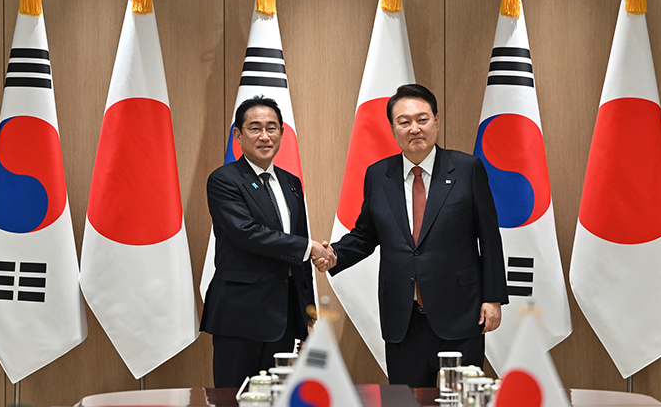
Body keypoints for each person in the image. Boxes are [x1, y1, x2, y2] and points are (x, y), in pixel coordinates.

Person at [323, 84, 507, 387]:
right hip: (403, 318)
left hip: (460, 313)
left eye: (422, 119)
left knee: (460, 406)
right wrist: (334, 255)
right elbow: (366, 235)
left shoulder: (467, 169)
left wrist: (493, 298)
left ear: (436, 120)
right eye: (404, 122)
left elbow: (488, 238)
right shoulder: (378, 175)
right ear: (393, 128)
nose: (414, 129)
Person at [201, 96, 335, 387]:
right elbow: (246, 233)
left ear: (282, 133)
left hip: (284, 318)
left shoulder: (291, 183)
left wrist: (308, 314)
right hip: (239, 316)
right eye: (255, 128)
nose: (265, 136)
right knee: (233, 405)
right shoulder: (224, 180)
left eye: (272, 128)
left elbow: (299, 253)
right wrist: (308, 247)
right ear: (238, 135)